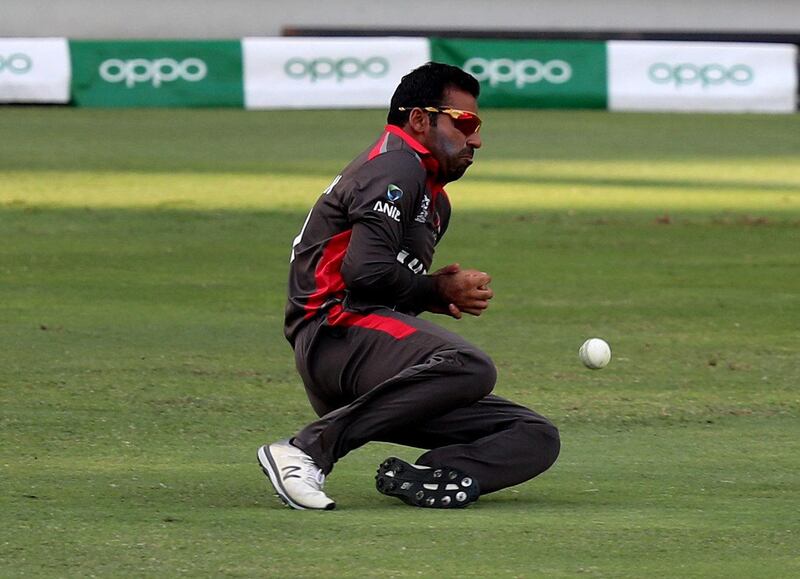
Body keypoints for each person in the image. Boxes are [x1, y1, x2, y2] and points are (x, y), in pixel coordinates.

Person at [257, 62, 560, 510]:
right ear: (420, 119)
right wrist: (438, 292)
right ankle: (307, 450)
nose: (476, 139)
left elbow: (387, 289)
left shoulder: (434, 200)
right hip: (333, 331)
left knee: (533, 436)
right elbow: (365, 273)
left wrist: (433, 292)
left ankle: (433, 474)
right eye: (465, 123)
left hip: (366, 353)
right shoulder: (397, 164)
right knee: (468, 364)